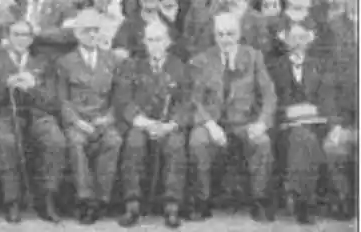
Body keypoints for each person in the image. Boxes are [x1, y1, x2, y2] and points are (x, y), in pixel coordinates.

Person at [187, 12, 277, 221]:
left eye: (230, 34)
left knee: (261, 141)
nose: (225, 39)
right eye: (220, 34)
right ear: (214, 35)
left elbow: (269, 95)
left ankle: (260, 201)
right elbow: (195, 100)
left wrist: (262, 123)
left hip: (245, 122)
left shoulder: (254, 57)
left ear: (239, 34)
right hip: (214, 122)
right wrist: (210, 124)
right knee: (198, 140)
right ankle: (202, 201)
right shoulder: (203, 59)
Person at [0, 19, 64, 223]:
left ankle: (47, 198)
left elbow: (53, 100)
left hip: (37, 114)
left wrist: (33, 87)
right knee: (6, 141)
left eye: (25, 35)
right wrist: (6, 84)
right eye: (16, 34)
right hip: (5, 114)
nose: (21, 39)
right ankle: (12, 201)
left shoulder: (43, 62)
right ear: (8, 38)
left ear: (31, 39)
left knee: (55, 139)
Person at [113, 20, 189, 228]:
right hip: (141, 123)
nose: (155, 44)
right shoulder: (132, 65)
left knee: (175, 145)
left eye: (159, 39)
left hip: (168, 124)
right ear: (144, 42)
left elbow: (185, 102)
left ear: (168, 42)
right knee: (134, 142)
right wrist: (144, 123)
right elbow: (124, 100)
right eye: (150, 40)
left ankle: (172, 206)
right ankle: (132, 204)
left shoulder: (179, 66)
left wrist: (171, 124)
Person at [55, 8, 123, 225]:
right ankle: (85, 200)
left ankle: (101, 200)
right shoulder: (65, 62)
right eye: (87, 31)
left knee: (114, 141)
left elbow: (118, 98)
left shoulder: (111, 60)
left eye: (95, 30)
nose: (92, 35)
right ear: (77, 34)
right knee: (75, 143)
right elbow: (62, 100)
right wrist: (76, 122)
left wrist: (109, 119)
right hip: (78, 122)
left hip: (103, 121)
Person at [269, 22, 335, 224]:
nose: (298, 43)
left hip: (316, 124)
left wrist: (311, 111)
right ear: (286, 40)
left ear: (309, 41)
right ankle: (305, 202)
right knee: (302, 138)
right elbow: (269, 99)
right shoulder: (274, 66)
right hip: (284, 127)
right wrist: (289, 112)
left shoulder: (321, 65)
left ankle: (300, 197)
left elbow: (327, 99)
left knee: (306, 137)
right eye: (294, 38)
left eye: (302, 38)